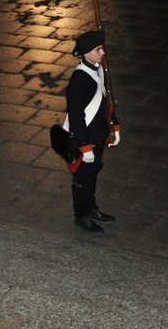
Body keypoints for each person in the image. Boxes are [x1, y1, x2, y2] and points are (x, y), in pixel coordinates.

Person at [65, 29, 120, 234]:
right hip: (85, 139)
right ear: (86, 53)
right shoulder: (79, 80)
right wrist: (85, 146)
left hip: (97, 135)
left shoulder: (96, 71)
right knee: (82, 179)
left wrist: (114, 127)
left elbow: (106, 102)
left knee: (93, 174)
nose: (103, 52)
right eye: (98, 49)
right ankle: (81, 215)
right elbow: (76, 116)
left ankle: (91, 207)